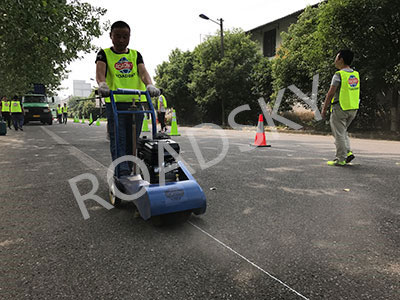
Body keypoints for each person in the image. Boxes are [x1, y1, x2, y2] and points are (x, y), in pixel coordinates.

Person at [95, 20, 160, 176]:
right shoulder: (104, 54)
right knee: (119, 139)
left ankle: (131, 170)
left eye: (125, 36)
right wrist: (102, 84)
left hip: (135, 103)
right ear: (111, 36)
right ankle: (121, 173)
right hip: (115, 103)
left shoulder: (135, 55)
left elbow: (143, 72)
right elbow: (100, 72)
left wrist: (150, 85)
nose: (122, 40)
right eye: (118, 36)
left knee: (133, 141)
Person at [322, 49, 360, 166]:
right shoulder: (355, 74)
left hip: (340, 108)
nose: (335, 59)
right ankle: (348, 153)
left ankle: (341, 159)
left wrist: (324, 108)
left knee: (339, 134)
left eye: (336, 57)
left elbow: (331, 93)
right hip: (353, 108)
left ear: (341, 59)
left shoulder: (339, 74)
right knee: (343, 132)